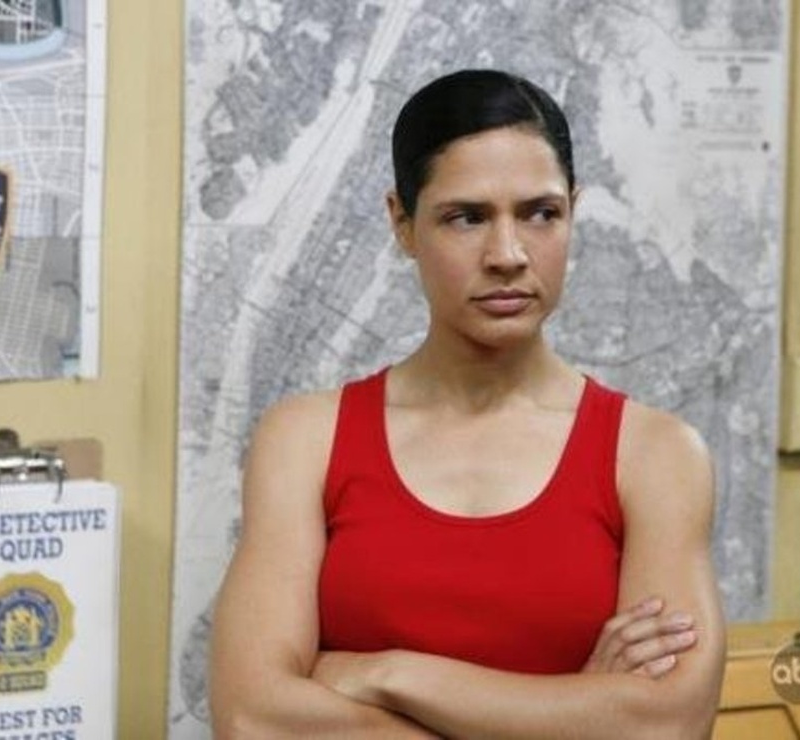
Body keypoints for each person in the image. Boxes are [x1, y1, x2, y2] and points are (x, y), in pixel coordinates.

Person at [209, 69, 726, 739]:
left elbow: (666, 724)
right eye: (466, 217)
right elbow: (252, 717)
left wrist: (387, 674)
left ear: (574, 211)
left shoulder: (655, 455)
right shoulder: (305, 440)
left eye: (540, 213)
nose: (508, 254)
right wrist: (573, 713)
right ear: (402, 223)